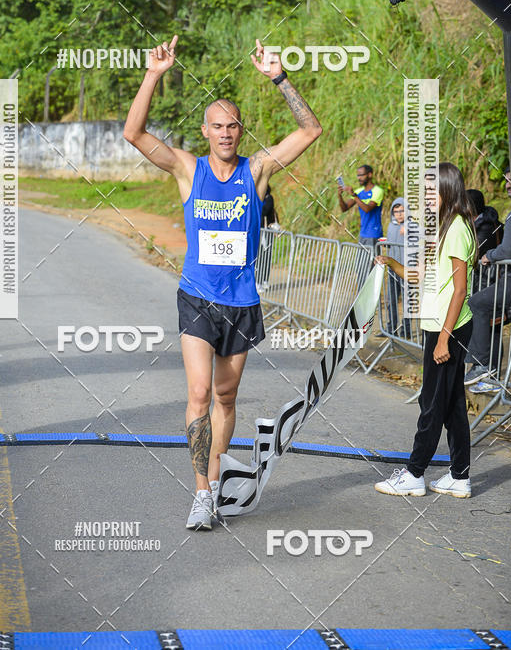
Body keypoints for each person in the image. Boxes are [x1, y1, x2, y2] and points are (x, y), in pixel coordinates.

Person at [123, 36, 322, 529]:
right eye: (218, 126)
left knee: (226, 398)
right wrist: (153, 75)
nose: (227, 133)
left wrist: (279, 77)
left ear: (241, 130)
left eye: (234, 125)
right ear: (205, 131)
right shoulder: (189, 170)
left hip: (241, 301)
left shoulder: (256, 172)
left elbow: (311, 130)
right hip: (197, 297)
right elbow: (133, 133)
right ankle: (200, 492)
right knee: (197, 393)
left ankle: (213, 481)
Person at [373, 162, 477, 499]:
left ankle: (415, 473)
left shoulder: (458, 228)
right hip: (439, 323)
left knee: (431, 402)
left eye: (431, 190)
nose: (425, 197)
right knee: (452, 405)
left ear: (447, 189)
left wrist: (444, 337)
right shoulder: (443, 228)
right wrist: (390, 262)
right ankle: (459, 476)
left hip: (450, 326)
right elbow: (421, 275)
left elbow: (460, 289)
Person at [464, 167, 511, 386]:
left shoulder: (486, 226)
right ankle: (487, 371)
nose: (508, 185)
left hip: (497, 279)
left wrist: (489, 256)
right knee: (490, 318)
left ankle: (482, 365)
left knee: (478, 304)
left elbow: (506, 251)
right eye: (506, 181)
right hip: (497, 279)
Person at [338, 164, 384, 281]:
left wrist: (354, 195)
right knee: (360, 268)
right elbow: (345, 208)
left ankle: (374, 299)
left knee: (371, 268)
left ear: (370, 175)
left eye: (361, 175)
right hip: (363, 235)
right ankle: (361, 296)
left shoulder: (378, 191)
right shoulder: (359, 191)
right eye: (358, 175)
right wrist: (340, 196)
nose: (359, 178)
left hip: (374, 235)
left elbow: (368, 209)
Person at [385, 198, 411, 339]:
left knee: (407, 301)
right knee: (391, 300)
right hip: (392, 270)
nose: (399, 214)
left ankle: (405, 330)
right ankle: (391, 328)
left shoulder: (411, 225)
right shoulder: (391, 226)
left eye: (402, 211)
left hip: (406, 269)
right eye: (396, 211)